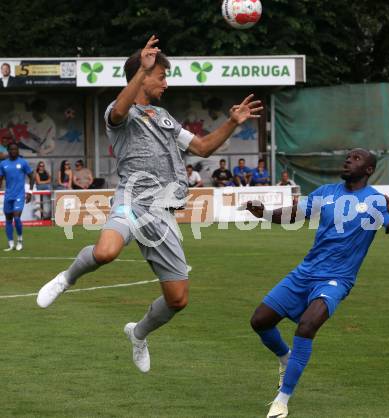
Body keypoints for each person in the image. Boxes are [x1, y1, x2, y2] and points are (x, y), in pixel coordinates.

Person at [36, 35, 263, 374]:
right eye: (161, 77)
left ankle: (138, 334)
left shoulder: (164, 116)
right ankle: (66, 279)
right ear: (141, 76)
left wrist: (232, 122)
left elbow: (201, 148)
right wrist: (141, 73)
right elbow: (119, 111)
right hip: (133, 199)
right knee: (107, 251)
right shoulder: (120, 112)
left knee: (178, 300)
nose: (166, 83)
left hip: (163, 212)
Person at [245, 148, 389, 418]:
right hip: (305, 272)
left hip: (337, 279)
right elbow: (292, 214)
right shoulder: (325, 193)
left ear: (369, 170)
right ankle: (286, 359)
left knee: (307, 325)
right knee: (259, 321)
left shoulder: (376, 201)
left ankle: (282, 400)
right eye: (348, 157)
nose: (348, 160)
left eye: (356, 158)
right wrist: (263, 213)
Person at [0, 143, 34, 251]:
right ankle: (11, 244)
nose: (14, 151)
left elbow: (32, 176)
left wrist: (30, 192)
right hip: (8, 195)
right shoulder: (3, 164)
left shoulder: (23, 162)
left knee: (17, 217)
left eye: (16, 149)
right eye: (12, 149)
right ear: (8, 151)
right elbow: (0, 179)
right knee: (8, 219)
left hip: (19, 195)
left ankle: (20, 240)